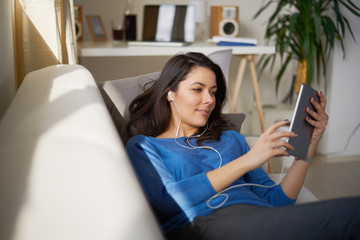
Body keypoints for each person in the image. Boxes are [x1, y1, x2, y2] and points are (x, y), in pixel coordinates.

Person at [125, 52, 360, 240]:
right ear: (170, 93)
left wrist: (307, 150)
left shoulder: (230, 139)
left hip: (261, 219)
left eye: (213, 92)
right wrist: (248, 160)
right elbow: (170, 201)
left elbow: (277, 201)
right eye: (197, 89)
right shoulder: (145, 146)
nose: (209, 99)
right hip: (206, 226)